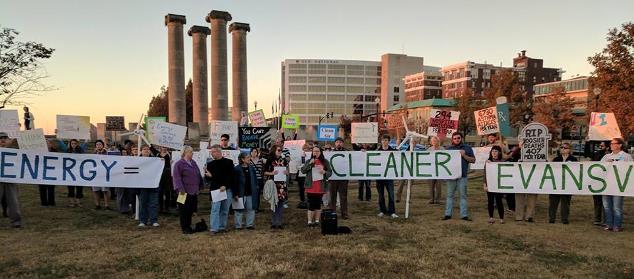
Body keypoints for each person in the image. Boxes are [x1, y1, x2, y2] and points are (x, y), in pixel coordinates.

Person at [601, 138, 632, 232]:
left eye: (613, 143)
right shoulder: (606, 156)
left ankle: (617, 226)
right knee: (607, 206)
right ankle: (609, 224)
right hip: (607, 184)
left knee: (616, 206)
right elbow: (598, 167)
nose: (611, 145)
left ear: (620, 145)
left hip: (619, 185)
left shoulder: (626, 156)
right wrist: (606, 164)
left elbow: (630, 169)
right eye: (610, 143)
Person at [443, 132, 475, 221]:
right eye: (455, 138)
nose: (457, 140)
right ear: (452, 139)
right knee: (449, 195)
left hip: (462, 176)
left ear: (461, 138)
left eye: (458, 138)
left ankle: (464, 215)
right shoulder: (449, 149)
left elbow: (473, 160)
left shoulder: (467, 148)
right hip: (451, 176)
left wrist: (464, 155)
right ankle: (447, 214)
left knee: (463, 196)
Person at [172, 146, 203, 234]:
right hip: (182, 192)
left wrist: (200, 185)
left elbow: (198, 174)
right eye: (191, 152)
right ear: (185, 153)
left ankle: (189, 225)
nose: (192, 153)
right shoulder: (179, 164)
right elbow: (176, 178)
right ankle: (185, 227)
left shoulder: (193, 162)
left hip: (194, 191)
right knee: (183, 210)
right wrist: (181, 190)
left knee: (191, 210)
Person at [205, 144, 236, 234]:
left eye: (213, 152)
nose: (211, 154)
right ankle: (214, 228)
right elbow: (208, 179)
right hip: (215, 190)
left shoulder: (229, 162)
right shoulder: (210, 164)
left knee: (225, 210)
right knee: (215, 209)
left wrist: (225, 185)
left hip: (227, 190)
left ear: (218, 152)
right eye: (211, 152)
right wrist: (207, 176)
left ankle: (222, 227)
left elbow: (231, 177)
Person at [301, 146, 332, 227]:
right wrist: (310, 164)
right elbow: (303, 171)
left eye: (317, 151)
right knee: (311, 204)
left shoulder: (325, 162)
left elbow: (330, 172)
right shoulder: (309, 161)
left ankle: (317, 220)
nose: (315, 153)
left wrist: (324, 172)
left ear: (320, 152)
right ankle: (310, 221)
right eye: (314, 151)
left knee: (318, 204)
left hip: (320, 186)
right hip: (311, 186)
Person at [548, 143, 577, 224]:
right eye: (562, 147)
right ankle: (551, 218)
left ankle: (564, 219)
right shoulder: (556, 159)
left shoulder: (574, 160)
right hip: (556, 183)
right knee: (553, 202)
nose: (563, 149)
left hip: (567, 184)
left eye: (565, 148)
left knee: (565, 203)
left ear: (569, 150)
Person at [263, 145, 289, 229]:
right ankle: (274, 222)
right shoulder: (270, 160)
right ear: (274, 150)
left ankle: (280, 222)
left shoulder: (283, 160)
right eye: (278, 150)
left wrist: (286, 172)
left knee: (281, 203)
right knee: (274, 203)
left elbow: (288, 171)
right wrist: (272, 173)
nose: (280, 151)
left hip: (282, 184)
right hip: (273, 184)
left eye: (281, 150)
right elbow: (264, 172)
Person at [0, 132, 22, 228]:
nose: (2, 139)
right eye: (0, 138)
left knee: (13, 200)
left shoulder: (14, 150)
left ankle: (16, 221)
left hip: (10, 178)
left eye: (5, 137)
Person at [136, 145, 160, 227]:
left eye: (148, 149)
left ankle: (154, 220)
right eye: (144, 149)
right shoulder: (136, 161)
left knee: (153, 203)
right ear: (141, 151)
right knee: (143, 203)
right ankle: (143, 220)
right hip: (141, 185)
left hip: (153, 185)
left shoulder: (155, 160)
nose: (146, 150)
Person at [234, 152, 258, 230]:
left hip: (250, 192)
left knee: (251, 208)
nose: (249, 159)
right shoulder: (237, 169)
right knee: (239, 209)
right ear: (242, 159)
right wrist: (235, 193)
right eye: (247, 157)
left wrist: (256, 187)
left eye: (249, 157)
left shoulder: (251, 168)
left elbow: (255, 179)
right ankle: (238, 225)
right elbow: (234, 182)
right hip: (240, 193)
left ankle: (249, 224)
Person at [376, 134, 398, 218]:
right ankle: (382, 210)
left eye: (386, 140)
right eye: (383, 140)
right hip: (380, 176)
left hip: (389, 176)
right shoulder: (376, 151)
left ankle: (392, 211)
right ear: (381, 141)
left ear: (388, 141)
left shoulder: (393, 151)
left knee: (391, 194)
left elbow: (402, 155)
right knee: (381, 195)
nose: (384, 142)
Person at [483, 146, 505, 224]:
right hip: (490, 183)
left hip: (498, 184)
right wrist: (485, 184)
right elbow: (485, 174)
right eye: (493, 151)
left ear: (499, 152)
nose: (494, 153)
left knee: (499, 201)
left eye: (496, 151)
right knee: (490, 201)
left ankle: (501, 218)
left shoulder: (502, 162)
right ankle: (491, 217)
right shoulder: (488, 162)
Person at [329, 137, 350, 219]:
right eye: (337, 142)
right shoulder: (330, 152)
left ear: (343, 143)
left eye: (340, 142)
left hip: (343, 178)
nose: (339, 143)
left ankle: (344, 213)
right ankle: (332, 212)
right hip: (333, 178)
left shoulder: (347, 152)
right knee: (332, 196)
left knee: (343, 196)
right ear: (335, 143)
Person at [591, 141, 608, 226]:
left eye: (602, 146)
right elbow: (589, 155)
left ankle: (606, 220)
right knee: (597, 201)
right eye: (599, 145)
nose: (600, 147)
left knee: (606, 201)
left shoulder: (609, 155)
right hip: (597, 180)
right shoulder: (597, 154)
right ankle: (597, 219)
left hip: (607, 181)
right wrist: (588, 142)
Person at [91, 140, 111, 210]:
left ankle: (107, 205)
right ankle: (97, 204)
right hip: (95, 174)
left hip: (104, 174)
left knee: (105, 190)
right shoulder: (93, 153)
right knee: (96, 190)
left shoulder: (107, 153)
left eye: (100, 144)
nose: (98, 145)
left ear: (102, 145)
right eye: (97, 144)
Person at [38, 140, 57, 206]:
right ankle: (44, 202)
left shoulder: (55, 151)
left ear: (51, 144)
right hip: (41, 172)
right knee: (42, 188)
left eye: (48, 143)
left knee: (51, 188)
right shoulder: (40, 151)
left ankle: (51, 202)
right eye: (45, 143)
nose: (47, 145)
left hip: (51, 172)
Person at [66, 139, 84, 207]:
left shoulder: (80, 150)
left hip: (78, 171)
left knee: (79, 186)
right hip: (70, 171)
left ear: (77, 144)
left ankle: (78, 201)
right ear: (70, 144)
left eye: (75, 143)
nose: (73, 145)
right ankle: (72, 202)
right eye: (72, 143)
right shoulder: (68, 151)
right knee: (70, 186)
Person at [157, 146, 174, 214]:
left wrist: (171, 163)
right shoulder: (157, 155)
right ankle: (160, 207)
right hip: (160, 175)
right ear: (160, 148)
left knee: (167, 191)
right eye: (162, 147)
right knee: (160, 192)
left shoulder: (170, 154)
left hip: (168, 175)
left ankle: (167, 207)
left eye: (165, 147)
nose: (164, 148)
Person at [427, 136, 444, 204]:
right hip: (431, 170)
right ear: (431, 142)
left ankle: (438, 200)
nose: (434, 142)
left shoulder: (442, 149)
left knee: (438, 186)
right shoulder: (429, 149)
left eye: (435, 141)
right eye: (433, 141)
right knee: (431, 186)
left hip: (439, 170)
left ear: (438, 141)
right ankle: (431, 199)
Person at [295, 144, 311, 208]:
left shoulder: (310, 157)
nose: (306, 150)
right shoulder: (300, 156)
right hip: (301, 175)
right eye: (305, 149)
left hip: (308, 175)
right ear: (303, 149)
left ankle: (309, 200)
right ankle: (302, 200)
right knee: (301, 188)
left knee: (309, 188)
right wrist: (303, 167)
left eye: (307, 149)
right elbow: (297, 166)